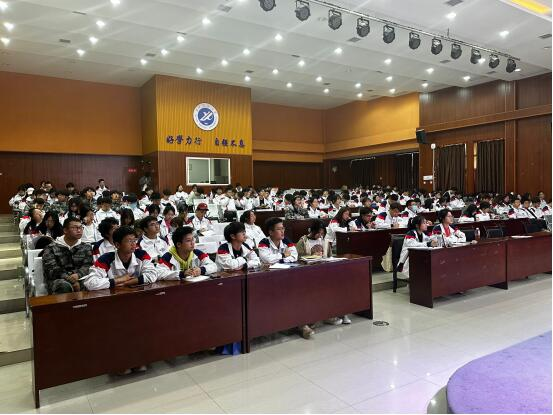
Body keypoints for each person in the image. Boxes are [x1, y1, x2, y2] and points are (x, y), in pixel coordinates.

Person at [84, 226, 157, 291]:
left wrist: (127, 282)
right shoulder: (105, 259)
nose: (133, 244)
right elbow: (90, 283)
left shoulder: (142, 255)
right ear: (117, 245)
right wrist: (118, 280)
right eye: (129, 241)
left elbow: (153, 274)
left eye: (134, 240)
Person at [42, 218, 93, 294]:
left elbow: (88, 265)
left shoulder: (86, 247)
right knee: (64, 286)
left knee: (93, 283)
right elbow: (52, 269)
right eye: (75, 228)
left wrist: (78, 275)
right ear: (65, 230)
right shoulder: (51, 248)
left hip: (80, 277)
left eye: (81, 227)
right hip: (58, 280)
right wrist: (70, 279)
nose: (79, 230)